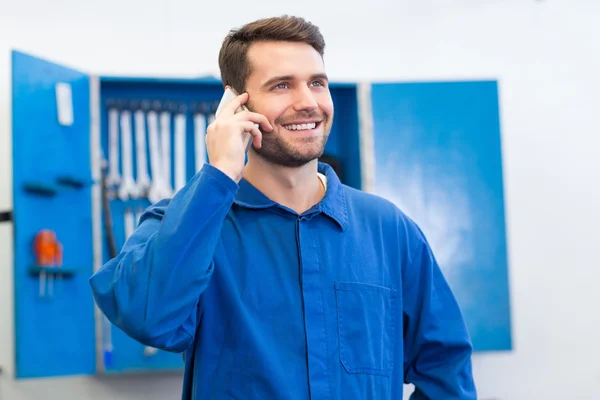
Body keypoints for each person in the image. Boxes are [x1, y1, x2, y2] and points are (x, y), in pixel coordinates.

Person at [89, 15, 477, 400]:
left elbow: (446, 371)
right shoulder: (185, 223)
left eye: (317, 83)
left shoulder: (389, 230)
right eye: (281, 85)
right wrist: (221, 171)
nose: (307, 102)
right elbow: (149, 319)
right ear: (236, 106)